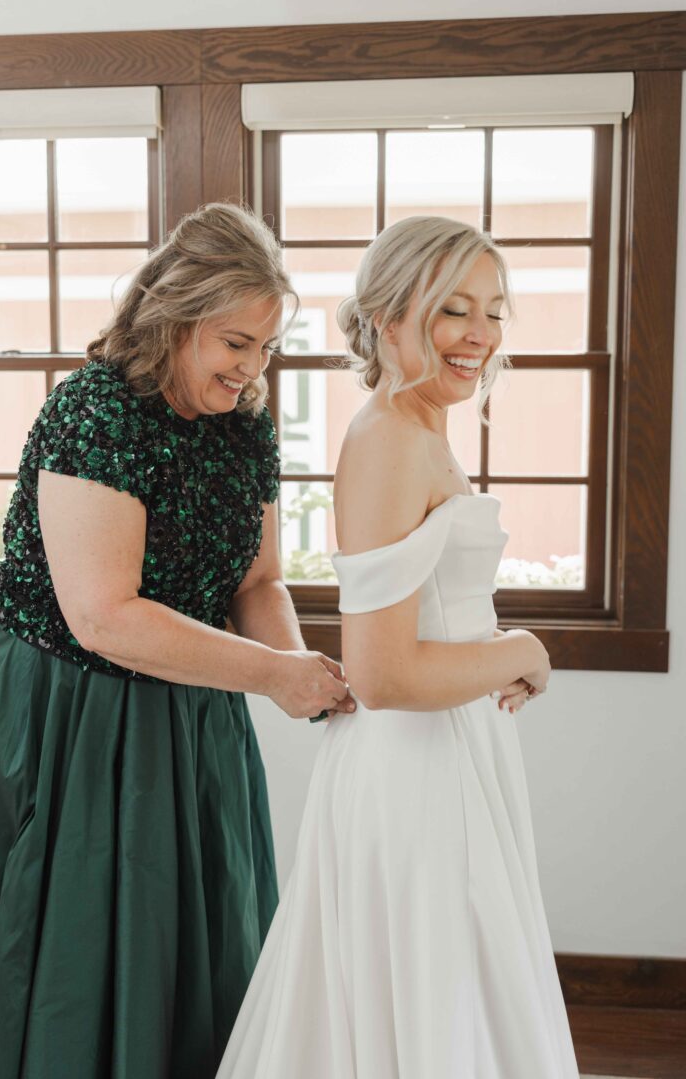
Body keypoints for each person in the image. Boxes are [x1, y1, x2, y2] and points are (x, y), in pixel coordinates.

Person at [0, 202, 355, 1079]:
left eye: (266, 347)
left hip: (190, 696)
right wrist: (273, 675)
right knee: (71, 938)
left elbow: (257, 580)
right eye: (237, 342)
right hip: (59, 701)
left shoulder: (245, 424)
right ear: (178, 317)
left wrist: (305, 671)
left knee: (198, 923)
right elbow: (105, 615)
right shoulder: (97, 414)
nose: (252, 367)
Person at [217, 216, 580, 1078]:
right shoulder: (386, 438)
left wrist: (493, 649)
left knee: (451, 999)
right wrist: (523, 648)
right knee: (424, 1001)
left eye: (494, 311)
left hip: (449, 749)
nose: (481, 334)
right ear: (387, 318)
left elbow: (426, 626)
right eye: (454, 309)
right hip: (417, 769)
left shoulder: (419, 424)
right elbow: (382, 673)